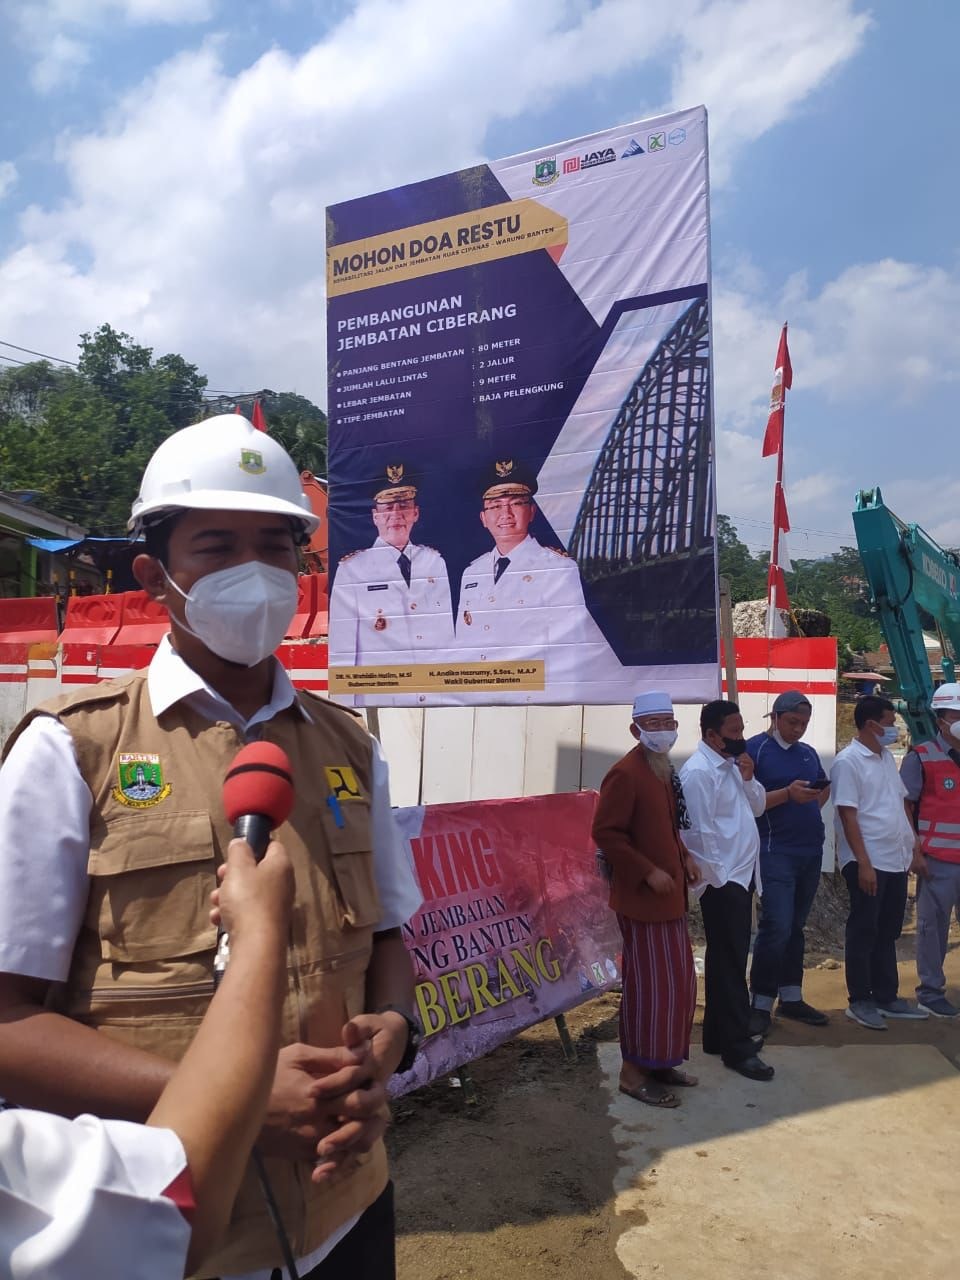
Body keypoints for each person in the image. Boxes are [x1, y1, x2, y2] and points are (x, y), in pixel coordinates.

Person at [0, 415, 424, 1280]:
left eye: (276, 547)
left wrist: (394, 1034)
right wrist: (238, 1101)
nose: (254, 574)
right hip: (174, 1240)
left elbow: (388, 941)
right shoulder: (74, 750)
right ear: (155, 575)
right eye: (218, 546)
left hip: (350, 1212)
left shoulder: (351, 749)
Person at [1, 837, 293, 1279]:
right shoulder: (66, 767)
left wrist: (397, 1028)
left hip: (344, 1207)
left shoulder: (358, 766)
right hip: (224, 1253)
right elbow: (164, 1198)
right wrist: (257, 933)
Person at [592, 691, 701, 1108]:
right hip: (643, 899)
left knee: (677, 985)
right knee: (649, 988)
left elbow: (669, 827)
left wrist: (685, 857)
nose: (663, 731)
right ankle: (632, 1072)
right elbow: (606, 834)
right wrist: (647, 871)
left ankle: (661, 1061)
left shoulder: (662, 769)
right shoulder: (626, 773)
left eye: (667, 722)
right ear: (635, 729)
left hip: (670, 898)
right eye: (653, 724)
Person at [680, 700, 775, 1081]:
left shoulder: (732, 764)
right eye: (733, 732)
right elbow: (697, 834)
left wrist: (750, 777)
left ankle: (718, 1037)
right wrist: (720, 880)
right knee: (734, 964)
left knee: (726, 960)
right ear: (711, 735)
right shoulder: (699, 773)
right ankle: (737, 1049)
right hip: (724, 881)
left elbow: (757, 808)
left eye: (741, 729)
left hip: (742, 875)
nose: (741, 738)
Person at [455, 460, 600, 693]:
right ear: (483, 518)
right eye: (496, 506)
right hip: (480, 695)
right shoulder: (472, 573)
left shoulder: (557, 569)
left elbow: (571, 651)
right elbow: (463, 647)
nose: (506, 514)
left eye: (516, 504)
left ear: (531, 511)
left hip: (532, 697)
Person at [831, 694, 928, 1029]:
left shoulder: (886, 757)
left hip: (895, 858)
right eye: (890, 723)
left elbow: (901, 804)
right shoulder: (848, 762)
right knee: (864, 929)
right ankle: (860, 999)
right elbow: (848, 814)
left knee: (888, 930)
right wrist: (864, 863)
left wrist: (913, 847)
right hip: (868, 859)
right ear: (871, 725)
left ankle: (887, 996)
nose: (894, 728)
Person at [746, 690, 831, 1035]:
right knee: (776, 926)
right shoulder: (756, 750)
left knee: (795, 927)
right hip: (774, 850)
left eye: (804, 723)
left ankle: (792, 997)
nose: (798, 729)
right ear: (775, 717)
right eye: (793, 722)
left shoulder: (808, 753)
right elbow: (747, 803)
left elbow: (823, 788)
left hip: (809, 851)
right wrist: (788, 796)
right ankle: (760, 1003)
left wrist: (810, 802)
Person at [328, 462, 454, 673]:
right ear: (375, 516)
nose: (396, 514)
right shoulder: (352, 570)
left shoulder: (434, 563)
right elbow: (343, 652)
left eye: (404, 506)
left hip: (430, 689)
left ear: (416, 512)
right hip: (380, 691)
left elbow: (446, 635)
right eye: (387, 508)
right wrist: (347, 703)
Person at [900, 682, 960, 1018]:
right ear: (942, 721)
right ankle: (930, 991)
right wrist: (915, 851)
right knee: (932, 928)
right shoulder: (921, 758)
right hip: (938, 860)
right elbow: (905, 807)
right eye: (958, 715)